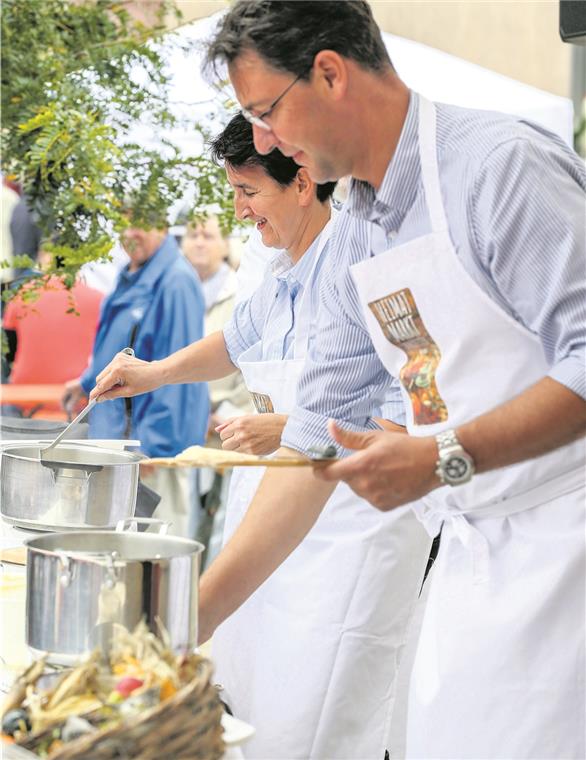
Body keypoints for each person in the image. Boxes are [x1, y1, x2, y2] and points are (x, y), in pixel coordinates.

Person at [195, 2, 585, 758]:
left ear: (331, 73)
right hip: (475, 556)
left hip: (569, 542)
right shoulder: (357, 232)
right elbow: (310, 448)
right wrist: (190, 622)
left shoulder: (496, 168)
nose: (265, 142)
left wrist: (444, 455)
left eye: (265, 113)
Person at [90, 113, 431, 759]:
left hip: (354, 520)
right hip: (275, 500)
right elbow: (239, 340)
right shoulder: (283, 264)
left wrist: (292, 426)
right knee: (251, 693)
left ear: (303, 179)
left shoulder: (362, 257)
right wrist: (153, 373)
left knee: (320, 713)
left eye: (249, 193)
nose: (242, 212)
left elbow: (401, 407)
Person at [63, 216, 209, 535]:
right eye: (124, 223)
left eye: (141, 222)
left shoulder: (175, 282)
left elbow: (179, 370)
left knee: (155, 553)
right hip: (118, 441)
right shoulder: (129, 273)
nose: (131, 233)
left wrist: (156, 449)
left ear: (164, 226)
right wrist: (88, 381)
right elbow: (120, 346)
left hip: (152, 452)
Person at [182, 215, 253, 557]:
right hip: (189, 421)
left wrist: (226, 413)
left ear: (225, 244)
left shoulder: (241, 291)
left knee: (224, 517)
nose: (199, 242)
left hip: (230, 420)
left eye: (208, 235)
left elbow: (249, 361)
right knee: (188, 516)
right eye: (193, 234)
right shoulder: (178, 288)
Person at [3, 251, 103, 411]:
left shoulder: (21, 296)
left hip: (24, 398)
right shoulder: (98, 300)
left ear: (43, 261)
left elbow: (9, 353)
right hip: (77, 398)